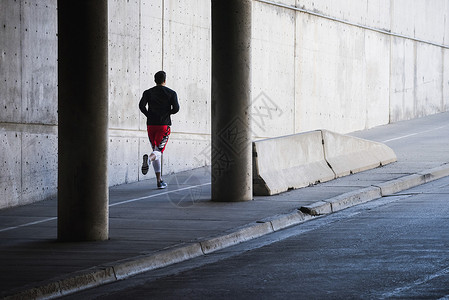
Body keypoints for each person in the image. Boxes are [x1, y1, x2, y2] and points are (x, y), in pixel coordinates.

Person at [139, 71, 179, 189]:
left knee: (156, 150)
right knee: (158, 152)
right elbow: (176, 108)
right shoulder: (171, 93)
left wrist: (148, 115)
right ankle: (150, 160)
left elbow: (141, 106)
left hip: (151, 125)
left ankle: (159, 180)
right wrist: (167, 113)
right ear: (165, 80)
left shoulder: (148, 92)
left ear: (154, 80)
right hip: (163, 125)